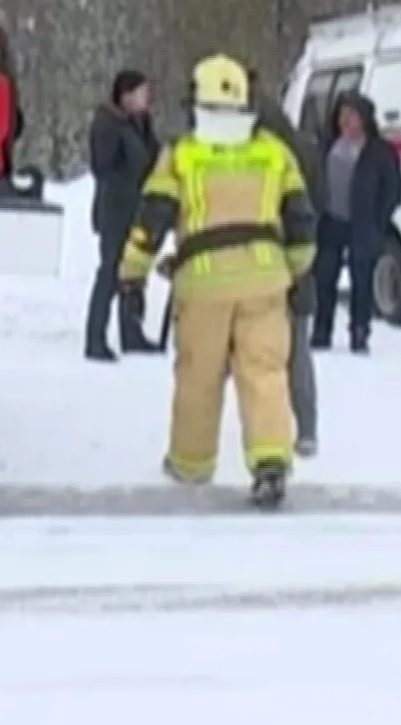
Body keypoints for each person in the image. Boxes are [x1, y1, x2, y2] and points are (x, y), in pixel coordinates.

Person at [117, 53, 317, 508]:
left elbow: (152, 219)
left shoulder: (182, 155)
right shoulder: (273, 152)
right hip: (265, 283)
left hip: (203, 286)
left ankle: (191, 462)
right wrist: (298, 269)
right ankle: (270, 462)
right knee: (265, 373)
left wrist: (132, 275)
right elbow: (301, 219)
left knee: (198, 376)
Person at [249, 68, 323, 457]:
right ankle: (305, 427)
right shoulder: (304, 148)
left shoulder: (254, 153)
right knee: (297, 350)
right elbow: (316, 208)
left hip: (257, 264)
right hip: (295, 262)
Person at [309, 92, 401, 355]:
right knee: (324, 276)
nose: (346, 121)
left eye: (352, 115)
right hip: (330, 221)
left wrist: (379, 219)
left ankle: (359, 331)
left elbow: (393, 188)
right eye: (342, 115)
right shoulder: (328, 146)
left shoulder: (379, 151)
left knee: (361, 281)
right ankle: (321, 330)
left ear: (364, 119)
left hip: (363, 224)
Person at [84, 69, 160, 362]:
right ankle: (95, 337)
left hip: (139, 208)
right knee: (110, 271)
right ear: (125, 96)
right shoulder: (107, 124)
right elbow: (102, 167)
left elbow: (152, 155)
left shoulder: (141, 123)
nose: (147, 99)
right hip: (115, 209)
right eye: (142, 93)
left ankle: (132, 331)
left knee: (135, 271)